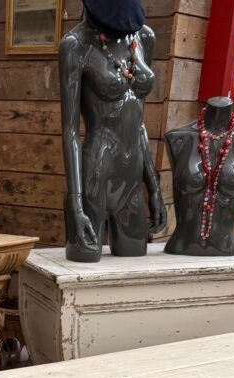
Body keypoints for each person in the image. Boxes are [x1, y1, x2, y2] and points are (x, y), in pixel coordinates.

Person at [59, 0, 167, 262]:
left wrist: (153, 187)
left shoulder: (142, 36)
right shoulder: (75, 44)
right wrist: (75, 201)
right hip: (97, 169)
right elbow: (70, 131)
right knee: (84, 261)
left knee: (134, 258)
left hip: (131, 173)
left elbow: (138, 120)